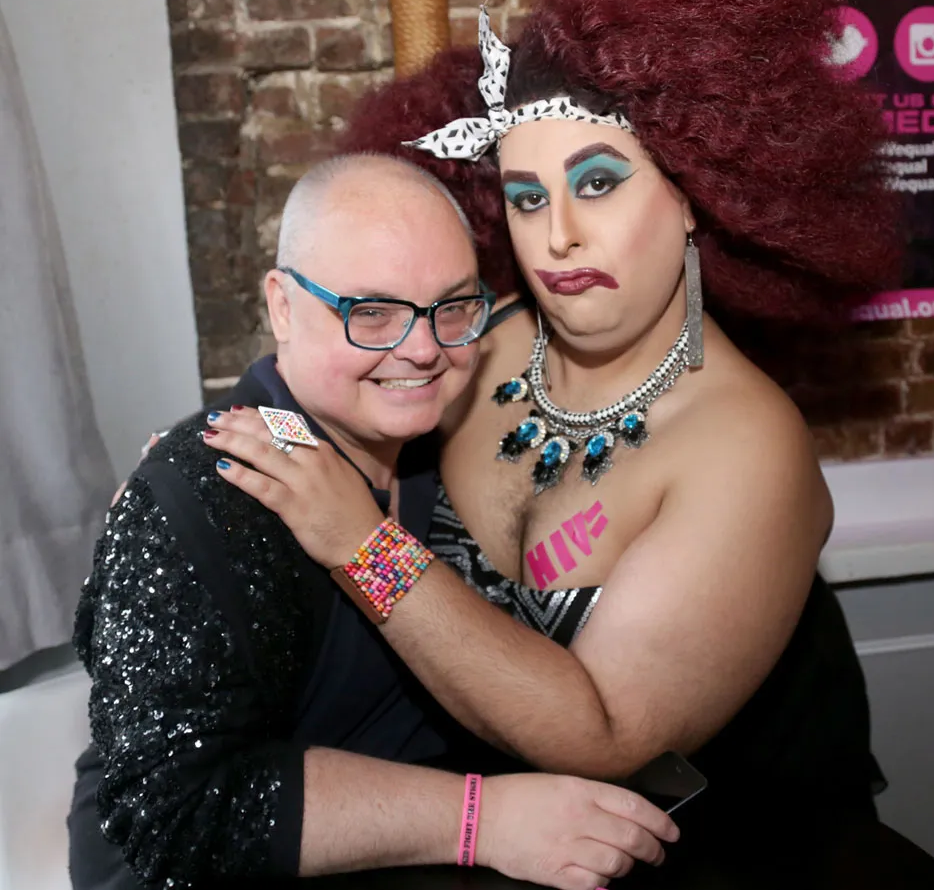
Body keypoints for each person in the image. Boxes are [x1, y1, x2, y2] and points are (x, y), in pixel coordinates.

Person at [198, 0, 934, 885]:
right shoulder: (475, 343)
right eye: (526, 196)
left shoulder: (747, 443)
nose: (557, 235)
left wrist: (365, 547)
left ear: (697, 192)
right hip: (513, 838)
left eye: (597, 183)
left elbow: (607, 733)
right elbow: (330, 385)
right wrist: (202, 468)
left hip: (731, 848)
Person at [67, 155, 680, 890]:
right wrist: (482, 818)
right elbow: (176, 812)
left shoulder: (439, 443)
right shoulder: (208, 492)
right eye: (372, 313)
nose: (422, 348)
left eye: (452, 306)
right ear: (283, 307)